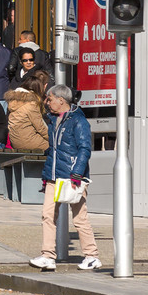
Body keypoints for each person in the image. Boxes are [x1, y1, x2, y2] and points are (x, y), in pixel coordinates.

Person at [30, 84, 101, 271]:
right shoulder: (54, 120)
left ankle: (92, 255)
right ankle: (48, 256)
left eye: (50, 99)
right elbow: (53, 151)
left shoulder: (78, 121)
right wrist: (47, 175)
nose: (47, 102)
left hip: (72, 177)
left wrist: (77, 173)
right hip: (54, 176)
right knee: (47, 215)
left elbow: (85, 148)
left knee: (79, 217)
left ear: (61, 100)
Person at [5, 72, 50, 154]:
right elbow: (40, 127)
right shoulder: (31, 104)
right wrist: (52, 139)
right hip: (29, 141)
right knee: (56, 148)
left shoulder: (15, 101)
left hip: (16, 141)